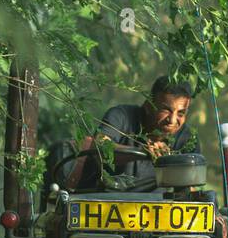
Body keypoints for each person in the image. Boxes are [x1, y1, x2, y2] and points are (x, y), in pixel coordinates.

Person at [68, 77, 197, 187]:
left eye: (181, 113)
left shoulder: (187, 138)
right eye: (166, 110)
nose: (172, 120)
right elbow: (100, 148)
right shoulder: (121, 116)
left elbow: (191, 187)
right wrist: (144, 152)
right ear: (148, 105)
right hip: (102, 201)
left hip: (156, 209)